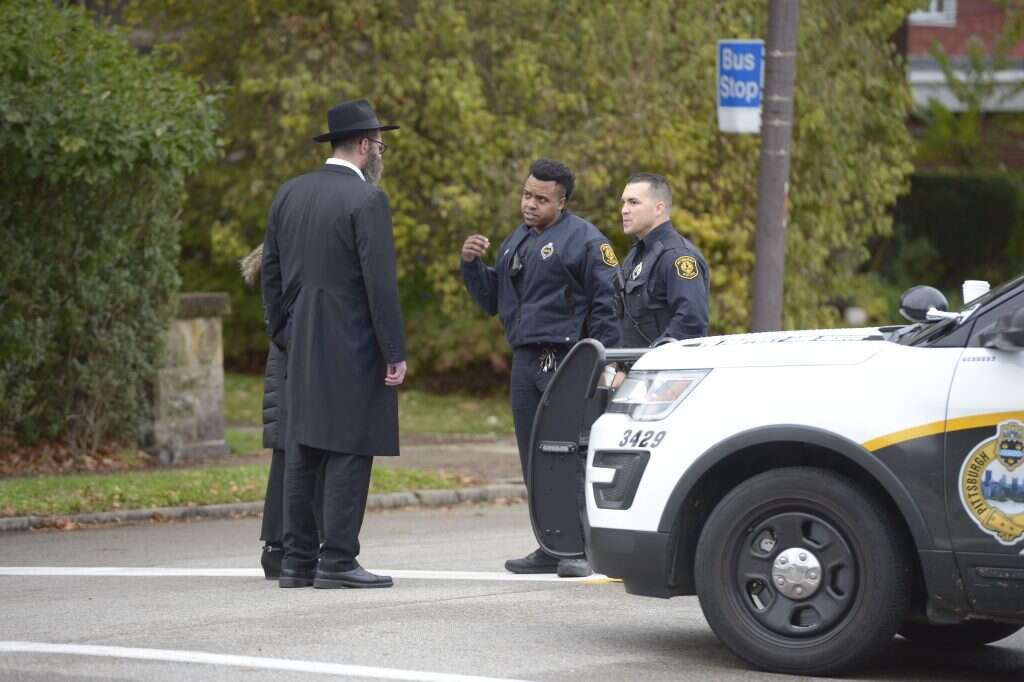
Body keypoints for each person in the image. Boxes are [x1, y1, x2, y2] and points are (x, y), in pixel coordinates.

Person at [262, 98, 406, 589]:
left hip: (300, 335)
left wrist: (281, 330)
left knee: (302, 442)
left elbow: (272, 273)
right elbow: (379, 284)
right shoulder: (367, 200)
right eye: (379, 144)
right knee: (350, 444)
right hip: (354, 339)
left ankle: (298, 561)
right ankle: (339, 558)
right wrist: (394, 350)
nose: (379, 152)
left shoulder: (289, 193)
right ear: (365, 145)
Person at [460, 159, 621, 578]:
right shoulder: (517, 240)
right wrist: (473, 268)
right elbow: (496, 301)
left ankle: (580, 548)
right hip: (526, 357)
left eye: (541, 199)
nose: (529, 204)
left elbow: (607, 304)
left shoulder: (586, 241)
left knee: (568, 452)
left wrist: (604, 362)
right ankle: (550, 542)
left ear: (562, 201)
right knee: (534, 455)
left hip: (567, 359)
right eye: (526, 195)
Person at [240, 244, 322, 580]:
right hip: (295, 354)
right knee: (296, 451)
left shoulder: (287, 247)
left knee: (292, 451)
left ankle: (283, 546)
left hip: (291, 351)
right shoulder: (295, 250)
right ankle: (283, 547)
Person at [618, 173, 709, 345]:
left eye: (633, 202)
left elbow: (690, 323)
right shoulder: (637, 253)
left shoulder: (678, 256)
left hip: (663, 368)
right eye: (624, 202)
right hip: (635, 366)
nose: (624, 210)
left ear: (659, 208)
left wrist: (649, 361)